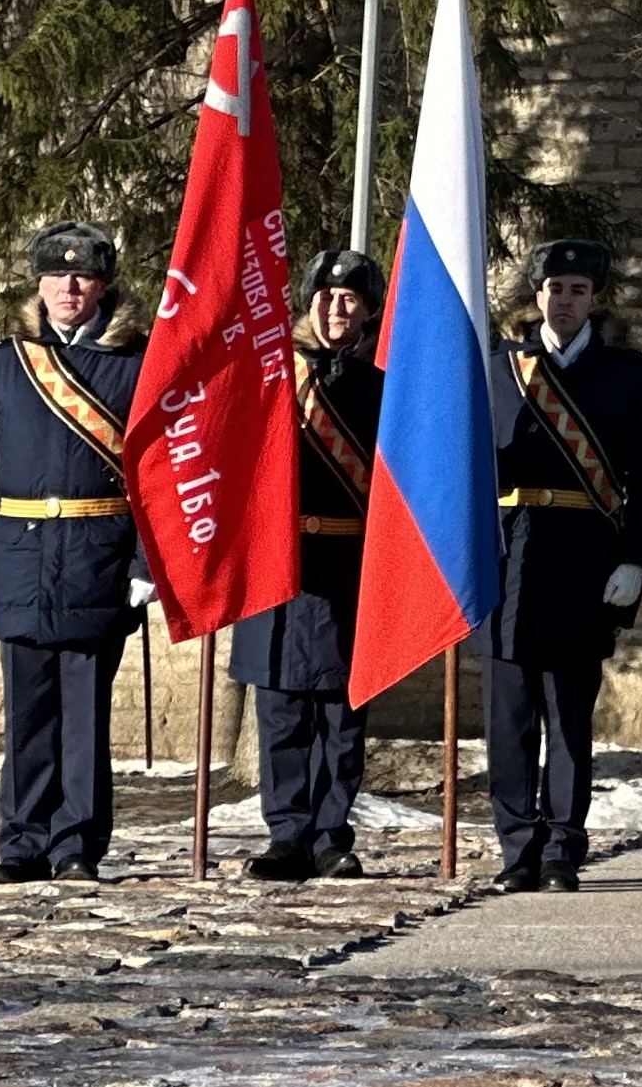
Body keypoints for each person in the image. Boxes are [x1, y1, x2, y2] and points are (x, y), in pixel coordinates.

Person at [0, 224, 153, 884]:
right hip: (18, 555)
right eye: (57, 275)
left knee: (85, 710)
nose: (69, 287)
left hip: (99, 554)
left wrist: (147, 564)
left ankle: (77, 844)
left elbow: (162, 475)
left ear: (103, 285)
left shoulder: (139, 365)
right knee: (28, 709)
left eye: (83, 276)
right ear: (38, 283)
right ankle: (22, 841)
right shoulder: (3, 367)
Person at [486, 236, 642, 892]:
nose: (563, 299)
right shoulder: (497, 368)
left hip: (584, 559)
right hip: (506, 557)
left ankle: (563, 843)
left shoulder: (626, 372)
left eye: (576, 289)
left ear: (595, 298)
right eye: (553, 287)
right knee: (508, 716)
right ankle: (516, 846)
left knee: (567, 711)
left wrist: (637, 561)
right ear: (534, 295)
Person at [231, 247, 386, 882]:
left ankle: (331, 834)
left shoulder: (382, 391)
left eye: (349, 299)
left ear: (368, 312)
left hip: (350, 564)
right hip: (277, 562)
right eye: (323, 297)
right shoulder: (269, 378)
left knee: (341, 716)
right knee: (280, 709)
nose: (334, 308)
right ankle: (286, 833)